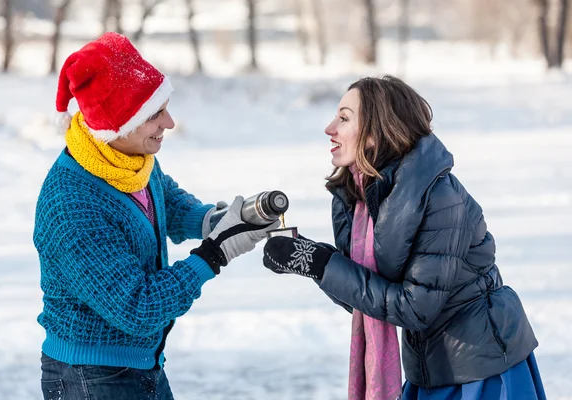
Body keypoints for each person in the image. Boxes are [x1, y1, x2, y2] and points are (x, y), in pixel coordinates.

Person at [262, 76, 546, 400]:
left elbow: (413, 307)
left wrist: (322, 264)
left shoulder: (440, 197)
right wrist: (311, 261)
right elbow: (367, 295)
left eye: (343, 118)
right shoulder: (358, 200)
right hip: (430, 366)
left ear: (374, 131)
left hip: (481, 370)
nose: (330, 128)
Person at [34, 32, 278, 400]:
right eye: (154, 114)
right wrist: (216, 253)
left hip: (142, 363)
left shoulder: (130, 161)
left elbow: (168, 203)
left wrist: (217, 220)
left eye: (165, 107)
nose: (169, 123)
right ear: (117, 124)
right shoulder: (73, 204)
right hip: (91, 378)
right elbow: (138, 307)